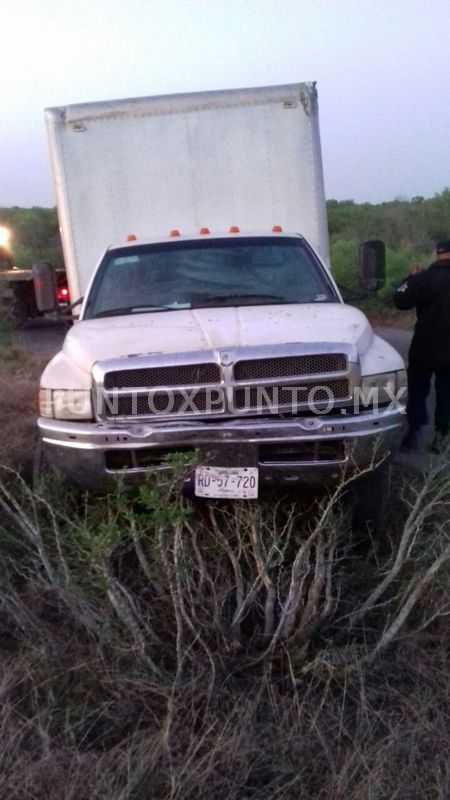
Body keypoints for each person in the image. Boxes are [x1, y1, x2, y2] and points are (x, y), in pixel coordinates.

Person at [393, 240, 450, 452]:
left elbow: (400, 299)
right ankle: (441, 438)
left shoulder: (422, 278)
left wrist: (410, 278)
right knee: (446, 394)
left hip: (424, 346)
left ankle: (414, 432)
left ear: (437, 254)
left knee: (418, 391)